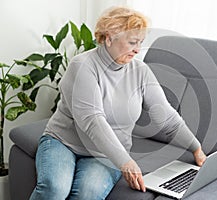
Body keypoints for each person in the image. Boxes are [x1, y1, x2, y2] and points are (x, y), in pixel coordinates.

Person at [29, 6, 207, 200]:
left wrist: (196, 148)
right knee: (55, 189)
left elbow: (165, 114)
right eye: (132, 42)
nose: (137, 49)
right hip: (63, 143)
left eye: (140, 42)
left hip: (106, 154)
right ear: (109, 37)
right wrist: (125, 163)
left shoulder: (140, 71)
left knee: (87, 195)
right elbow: (92, 121)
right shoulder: (82, 66)